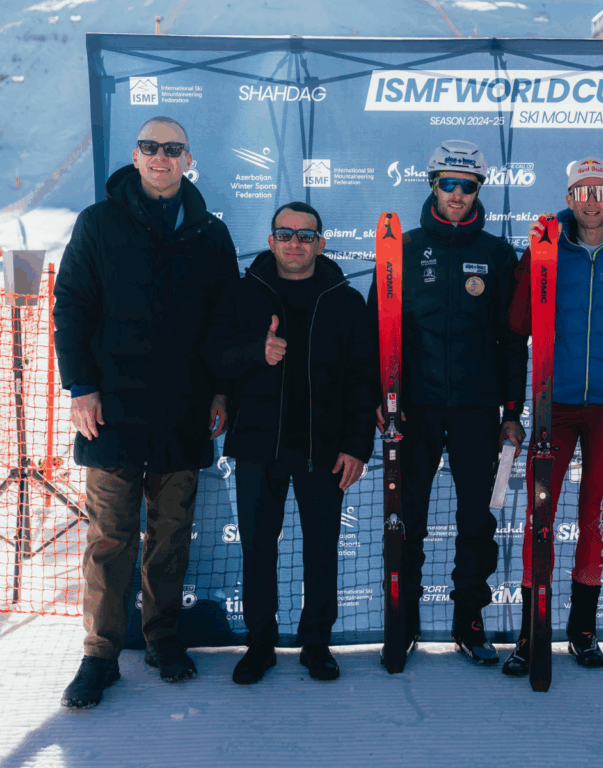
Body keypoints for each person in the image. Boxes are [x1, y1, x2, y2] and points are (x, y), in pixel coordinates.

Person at [53, 116, 238, 708]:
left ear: (188, 159)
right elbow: (71, 304)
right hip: (109, 411)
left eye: (173, 148)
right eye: (151, 147)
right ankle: (100, 656)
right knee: (110, 537)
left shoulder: (210, 232)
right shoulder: (99, 222)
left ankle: (162, 639)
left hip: (183, 409)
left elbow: (224, 320)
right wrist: (81, 386)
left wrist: (221, 391)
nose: (162, 157)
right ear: (135, 156)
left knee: (171, 533)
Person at [366, 139, 528, 665]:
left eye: (467, 186)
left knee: (477, 521)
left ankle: (469, 623)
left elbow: (512, 342)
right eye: (448, 184)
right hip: (414, 409)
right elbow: (376, 332)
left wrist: (512, 412)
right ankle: (402, 624)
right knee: (406, 517)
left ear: (479, 190)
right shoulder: (402, 248)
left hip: (477, 410)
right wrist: (378, 397)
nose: (457, 194)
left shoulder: (499, 255)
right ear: (433, 185)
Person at [203, 202, 376, 684]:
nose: (294, 243)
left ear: (321, 243)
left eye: (305, 235)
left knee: (322, 549)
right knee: (258, 549)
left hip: (324, 448)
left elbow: (364, 379)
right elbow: (213, 355)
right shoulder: (243, 293)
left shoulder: (345, 299)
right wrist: (254, 351)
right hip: (258, 444)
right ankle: (260, 644)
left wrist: (357, 446)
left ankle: (316, 643)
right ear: (271, 240)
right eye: (284, 234)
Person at [502, 156, 603, 676]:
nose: (591, 201)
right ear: (569, 199)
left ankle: (582, 631)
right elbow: (518, 323)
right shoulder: (549, 249)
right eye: (581, 191)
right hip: (554, 405)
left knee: (594, 515)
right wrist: (532, 260)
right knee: (539, 516)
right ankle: (532, 632)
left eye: (600, 191)